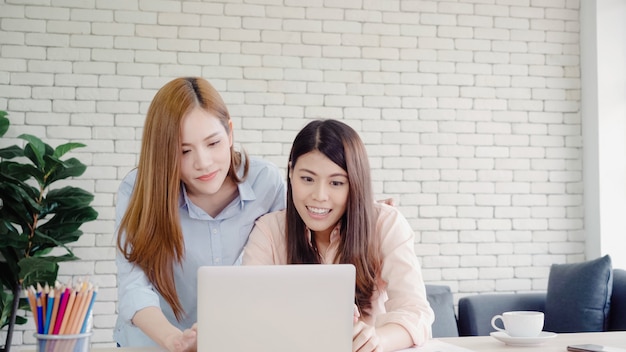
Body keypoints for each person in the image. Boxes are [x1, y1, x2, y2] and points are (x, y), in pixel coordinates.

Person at [114, 77, 286, 351]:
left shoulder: (266, 183)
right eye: (184, 151)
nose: (203, 162)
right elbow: (134, 286)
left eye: (213, 143)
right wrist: (174, 340)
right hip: (155, 343)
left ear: (230, 133)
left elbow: (301, 248)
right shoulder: (140, 189)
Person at [242, 119, 435, 352]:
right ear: (291, 173)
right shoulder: (269, 231)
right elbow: (251, 314)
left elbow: (415, 311)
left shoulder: (385, 224)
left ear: (355, 183)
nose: (319, 195)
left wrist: (378, 339)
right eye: (307, 179)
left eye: (336, 182)